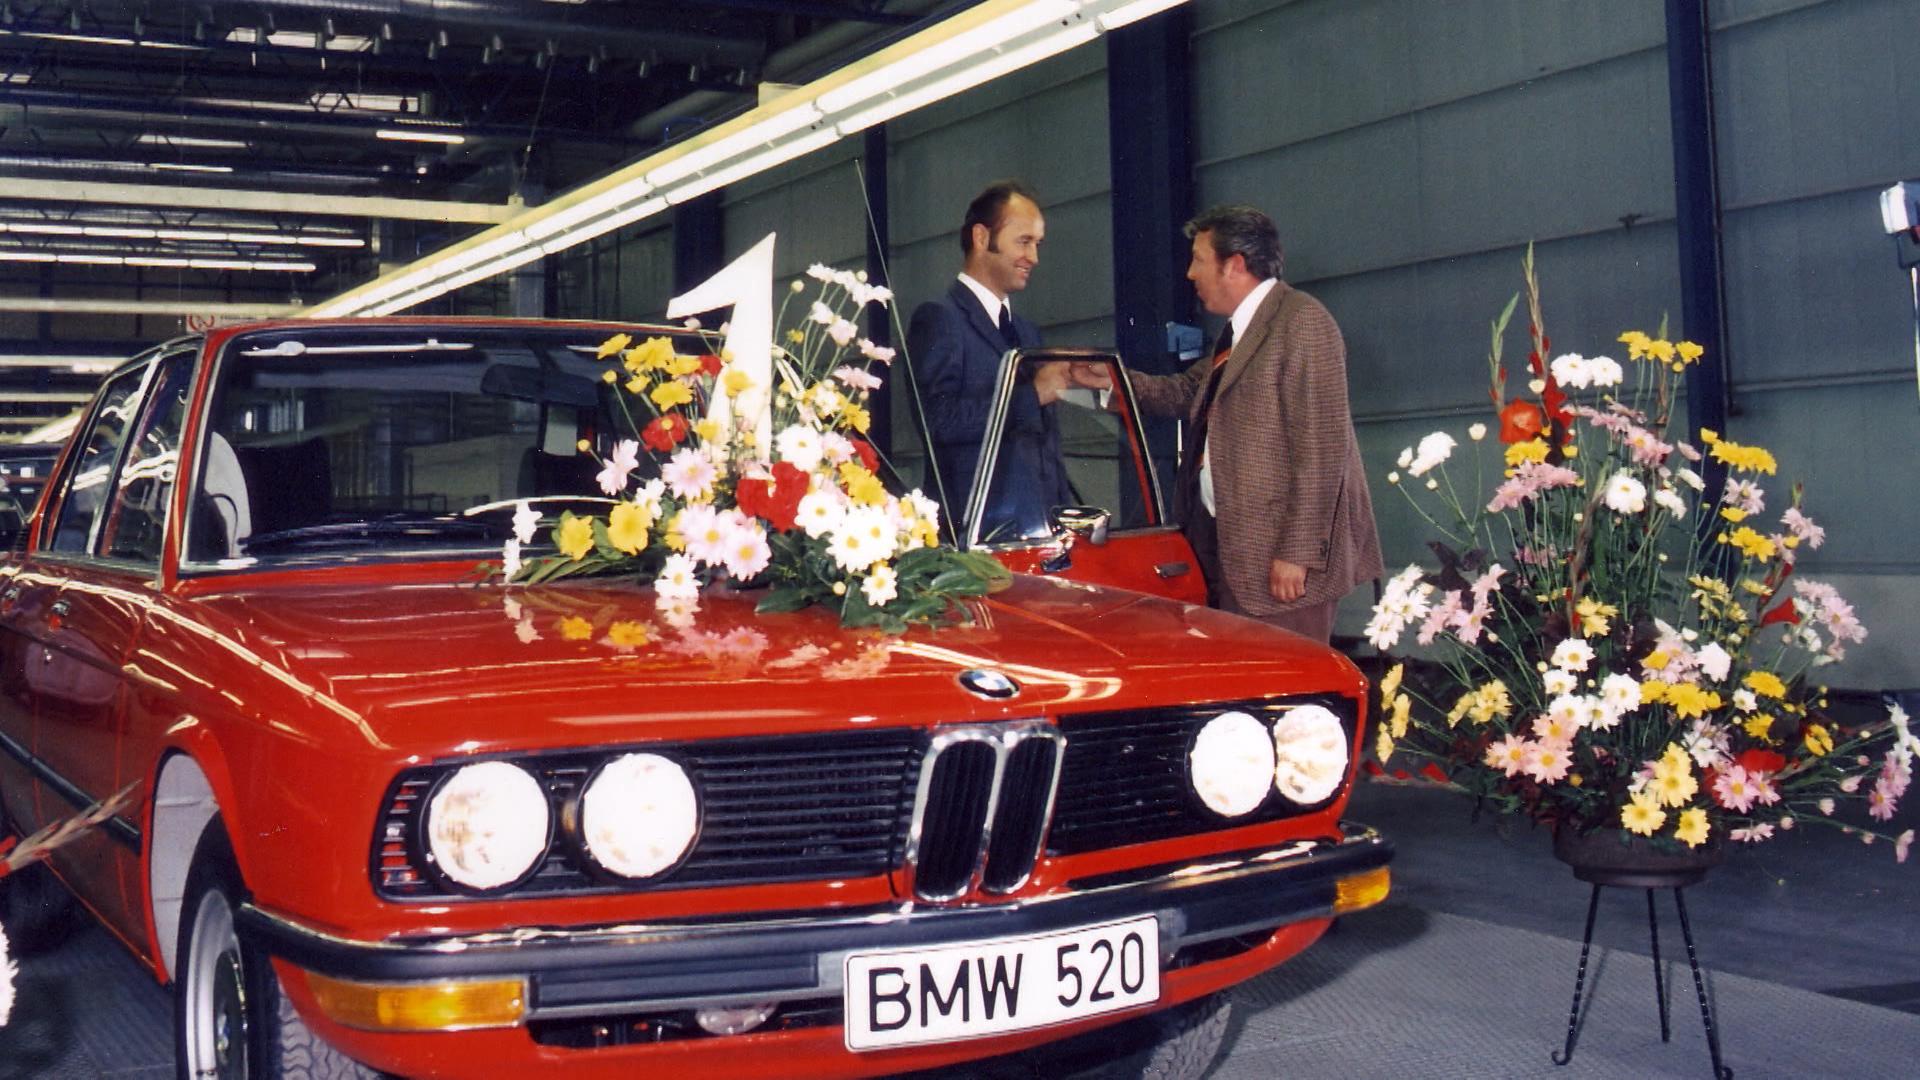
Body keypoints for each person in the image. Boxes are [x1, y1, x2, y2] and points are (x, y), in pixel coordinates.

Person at [1128, 205, 1382, 642]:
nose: (1190, 274)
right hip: (1235, 551)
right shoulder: (1239, 332)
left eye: (1198, 260)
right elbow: (1187, 393)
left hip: (1282, 568)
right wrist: (1108, 382)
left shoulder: (1303, 322)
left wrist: (1296, 555)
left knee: (1285, 697)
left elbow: (1323, 450)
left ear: (1235, 265)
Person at [908, 180, 1075, 540]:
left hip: (1042, 537)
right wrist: (1032, 396)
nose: (1034, 257)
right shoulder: (940, 319)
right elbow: (938, 420)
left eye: (1037, 244)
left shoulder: (1028, 333)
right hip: (978, 541)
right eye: (1024, 241)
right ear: (982, 238)